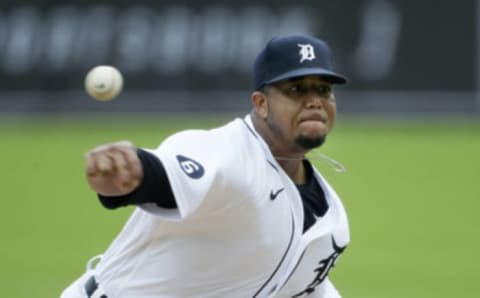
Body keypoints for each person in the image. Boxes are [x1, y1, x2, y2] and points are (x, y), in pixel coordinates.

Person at [61, 34, 350, 298]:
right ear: (261, 104)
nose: (314, 102)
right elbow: (164, 174)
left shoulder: (329, 216)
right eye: (296, 89)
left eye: (324, 90)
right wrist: (130, 172)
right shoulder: (225, 152)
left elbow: (306, 286)